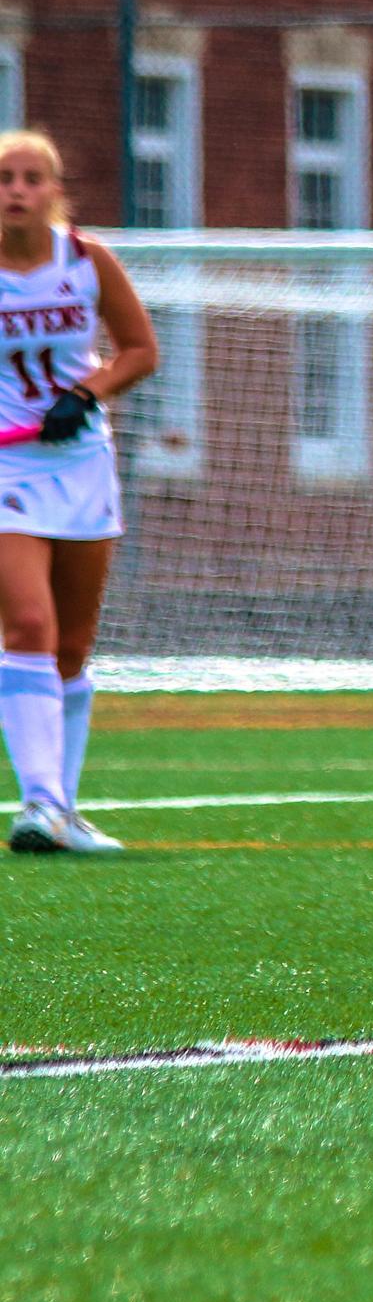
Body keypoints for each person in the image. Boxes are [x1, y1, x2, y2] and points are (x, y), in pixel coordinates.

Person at [0, 131, 159, 853]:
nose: (17, 190)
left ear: (54, 189)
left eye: (32, 177)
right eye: (5, 178)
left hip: (80, 463)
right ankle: (38, 804)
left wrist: (86, 394)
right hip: (8, 470)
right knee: (28, 625)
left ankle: (62, 810)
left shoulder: (87, 262)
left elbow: (139, 350)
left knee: (73, 644)